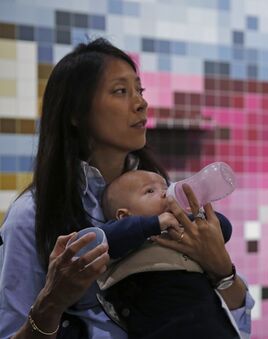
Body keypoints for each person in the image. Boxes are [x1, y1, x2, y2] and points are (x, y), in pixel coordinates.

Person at [0, 38, 253, 338]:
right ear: (75, 113)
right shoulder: (32, 216)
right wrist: (51, 302)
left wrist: (223, 270)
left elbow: (238, 322)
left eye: (140, 90)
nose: (141, 103)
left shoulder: (164, 193)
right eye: (121, 91)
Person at [95, 169, 239, 338]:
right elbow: (106, 240)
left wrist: (194, 216)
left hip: (207, 321)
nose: (165, 194)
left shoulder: (181, 229)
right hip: (157, 315)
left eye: (165, 187)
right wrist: (153, 224)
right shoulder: (122, 235)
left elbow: (224, 229)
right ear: (124, 215)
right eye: (150, 191)